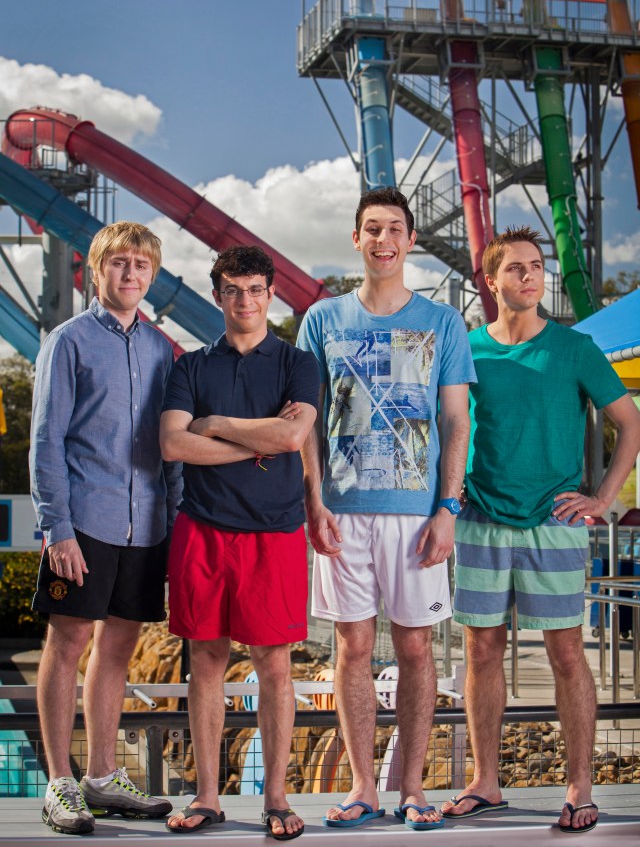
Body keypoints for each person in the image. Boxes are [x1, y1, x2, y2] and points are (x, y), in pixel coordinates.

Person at [442, 226, 640, 833]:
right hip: (479, 518)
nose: (530, 276)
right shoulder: (468, 348)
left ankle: (580, 784)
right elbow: (451, 429)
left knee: (566, 655)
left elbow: (630, 425)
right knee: (481, 651)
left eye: (537, 267)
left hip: (554, 523)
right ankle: (485, 782)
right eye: (517, 268)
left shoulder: (574, 349)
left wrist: (602, 499)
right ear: (492, 280)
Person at [297, 187, 475, 829]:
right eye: (371, 228)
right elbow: (307, 425)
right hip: (342, 511)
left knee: (417, 650)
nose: (382, 239)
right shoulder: (321, 320)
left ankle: (414, 789)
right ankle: (365, 788)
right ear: (356, 239)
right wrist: (314, 501)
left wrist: (448, 507)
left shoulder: (442, 323)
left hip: (415, 512)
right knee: (351, 648)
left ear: (410, 240)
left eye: (394, 228)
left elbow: (456, 422)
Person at [160, 245, 319, 839]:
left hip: (274, 532)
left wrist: (220, 424)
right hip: (201, 527)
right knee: (205, 662)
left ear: (271, 294)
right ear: (217, 295)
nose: (246, 301)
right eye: (233, 290)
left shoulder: (298, 364)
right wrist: (264, 439)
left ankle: (275, 798)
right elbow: (174, 444)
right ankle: (207, 797)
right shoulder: (191, 366)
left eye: (255, 290)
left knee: (274, 667)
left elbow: (294, 434)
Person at [31, 221, 181, 835]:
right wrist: (56, 526)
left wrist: (174, 523)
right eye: (118, 264)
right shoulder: (67, 342)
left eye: (141, 266)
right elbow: (46, 440)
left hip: (145, 524)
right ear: (97, 272)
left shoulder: (160, 349)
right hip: (84, 520)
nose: (130, 275)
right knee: (67, 644)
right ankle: (59, 783)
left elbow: (170, 443)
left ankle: (100, 778)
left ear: (152, 275)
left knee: (116, 648)